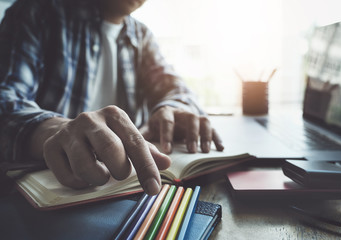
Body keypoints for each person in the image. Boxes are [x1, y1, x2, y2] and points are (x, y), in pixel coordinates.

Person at [0, 0, 224, 195]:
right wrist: (54, 130)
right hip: (45, 196)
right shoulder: (37, 11)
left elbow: (177, 89)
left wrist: (172, 108)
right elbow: (6, 97)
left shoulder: (140, 35)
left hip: (129, 192)